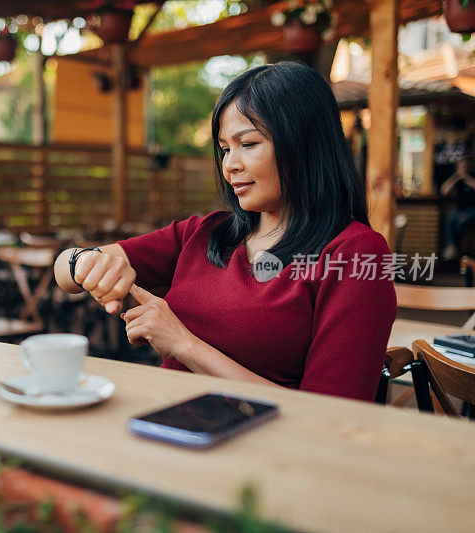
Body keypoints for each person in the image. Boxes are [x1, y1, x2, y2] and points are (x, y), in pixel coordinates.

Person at [53, 62, 396, 402]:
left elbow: (332, 416)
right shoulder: (207, 233)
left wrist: (183, 344)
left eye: (247, 144)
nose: (230, 164)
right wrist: (82, 262)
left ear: (303, 142)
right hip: (163, 422)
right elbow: (65, 270)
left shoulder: (355, 253)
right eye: (225, 149)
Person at [440, 157, 475, 260]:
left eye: (464, 166)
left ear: (468, 167)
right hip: (460, 210)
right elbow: (444, 190)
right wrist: (455, 177)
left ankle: (457, 248)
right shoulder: (457, 179)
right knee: (450, 218)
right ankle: (451, 247)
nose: (462, 169)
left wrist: (467, 178)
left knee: (461, 220)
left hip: (472, 209)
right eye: (460, 167)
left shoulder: (472, 176)